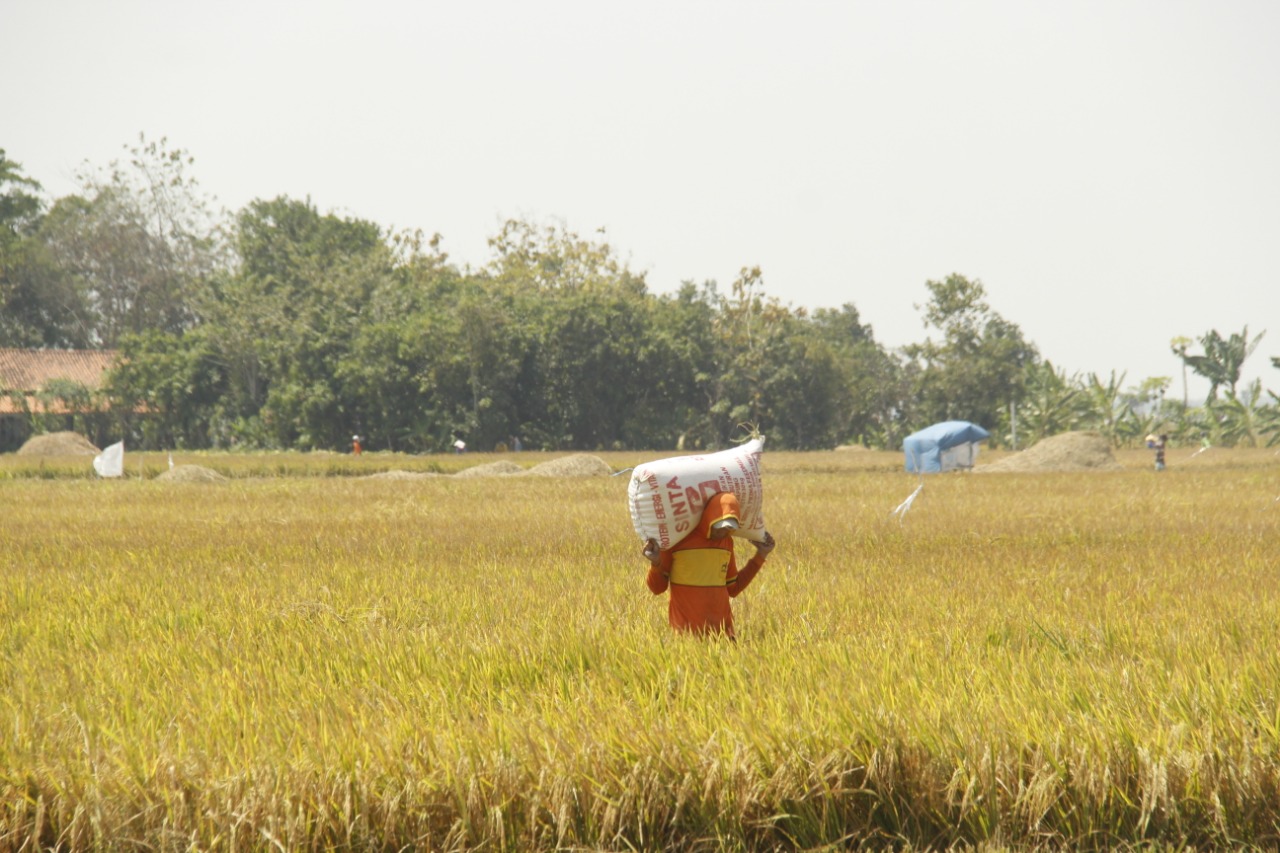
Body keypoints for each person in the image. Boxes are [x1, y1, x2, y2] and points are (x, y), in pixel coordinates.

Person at [642, 491, 775, 638]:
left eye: (729, 528)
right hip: (686, 639)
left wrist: (761, 555)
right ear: (709, 517)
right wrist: (656, 563)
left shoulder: (726, 543)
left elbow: (733, 588)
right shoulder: (678, 540)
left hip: (724, 637)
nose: (723, 532)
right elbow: (657, 588)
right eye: (720, 526)